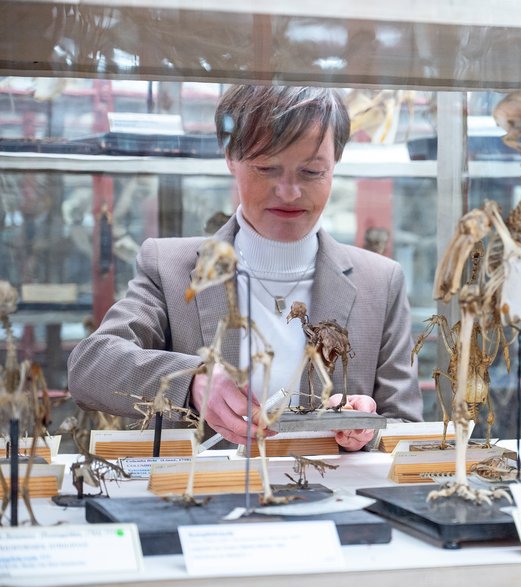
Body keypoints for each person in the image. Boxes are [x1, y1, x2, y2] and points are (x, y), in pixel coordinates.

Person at [67, 85, 423, 450]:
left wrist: (368, 428)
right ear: (230, 158)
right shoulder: (170, 267)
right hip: (204, 499)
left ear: (335, 165)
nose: (288, 191)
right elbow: (90, 366)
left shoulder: (380, 282)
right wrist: (190, 380)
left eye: (312, 172)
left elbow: (406, 424)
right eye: (267, 168)